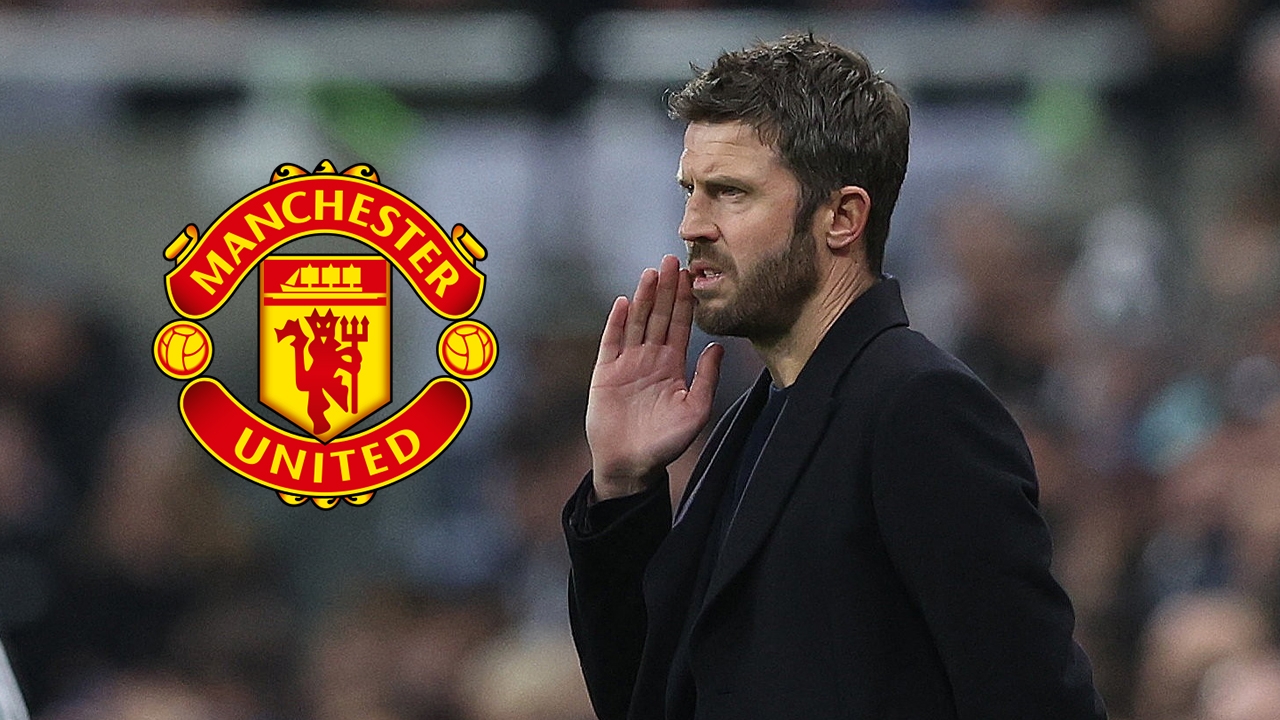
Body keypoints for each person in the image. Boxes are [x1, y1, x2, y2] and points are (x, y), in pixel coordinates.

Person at [562, 34, 1106, 720]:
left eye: (730, 194)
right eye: (690, 191)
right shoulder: (747, 424)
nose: (691, 226)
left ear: (843, 218)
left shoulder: (920, 408)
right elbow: (649, 699)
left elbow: (1036, 701)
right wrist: (620, 486)